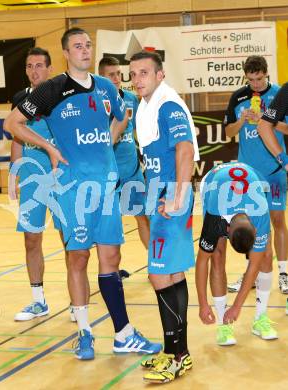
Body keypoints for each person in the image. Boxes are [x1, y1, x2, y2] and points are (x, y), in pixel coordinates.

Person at [4, 27, 161, 360]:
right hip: (73, 188)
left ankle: (123, 334)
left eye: (88, 45)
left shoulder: (105, 86)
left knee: (112, 259)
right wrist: (47, 146)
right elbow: (12, 124)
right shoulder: (51, 89)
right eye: (78, 46)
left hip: (104, 187)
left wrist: (109, 141)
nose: (85, 50)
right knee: (79, 257)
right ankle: (85, 332)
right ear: (66, 52)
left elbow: (122, 117)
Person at [129, 51, 198, 384]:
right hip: (161, 198)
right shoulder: (145, 107)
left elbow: (185, 149)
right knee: (170, 275)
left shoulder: (168, 104)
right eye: (134, 74)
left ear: (160, 75)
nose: (138, 79)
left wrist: (178, 195)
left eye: (144, 73)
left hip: (172, 199)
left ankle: (177, 354)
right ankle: (177, 353)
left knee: (159, 275)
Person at [8, 47, 78, 321]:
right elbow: (16, 136)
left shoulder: (62, 97)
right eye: (29, 66)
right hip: (32, 180)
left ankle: (76, 300)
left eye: (39, 65)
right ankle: (38, 301)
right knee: (31, 239)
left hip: (61, 177)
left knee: (68, 239)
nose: (34, 71)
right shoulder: (19, 99)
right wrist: (14, 174)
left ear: (50, 68)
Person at [196, 162, 278, 346]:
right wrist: (203, 304)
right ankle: (222, 324)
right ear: (226, 229)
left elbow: (254, 264)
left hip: (254, 178)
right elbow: (202, 261)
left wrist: (236, 307)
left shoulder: (260, 212)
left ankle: (260, 319)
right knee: (217, 255)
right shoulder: (215, 214)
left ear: (255, 230)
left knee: (265, 257)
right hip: (214, 181)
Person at [224, 56, 288, 294]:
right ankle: (250, 276)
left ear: (266, 73)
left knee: (278, 222)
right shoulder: (239, 97)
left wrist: (265, 120)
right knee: (250, 228)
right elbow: (229, 132)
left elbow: (287, 128)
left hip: (274, 171)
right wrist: (242, 120)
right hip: (248, 177)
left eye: (259, 79)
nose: (255, 84)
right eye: (250, 79)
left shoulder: (280, 94)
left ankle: (284, 274)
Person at [98, 56, 150, 249]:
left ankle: (155, 263)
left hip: (132, 172)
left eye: (119, 74)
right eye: (111, 75)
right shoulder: (95, 102)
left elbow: (141, 131)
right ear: (100, 77)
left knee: (143, 217)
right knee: (113, 225)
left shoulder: (130, 100)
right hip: (109, 174)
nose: (117, 78)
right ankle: (114, 270)